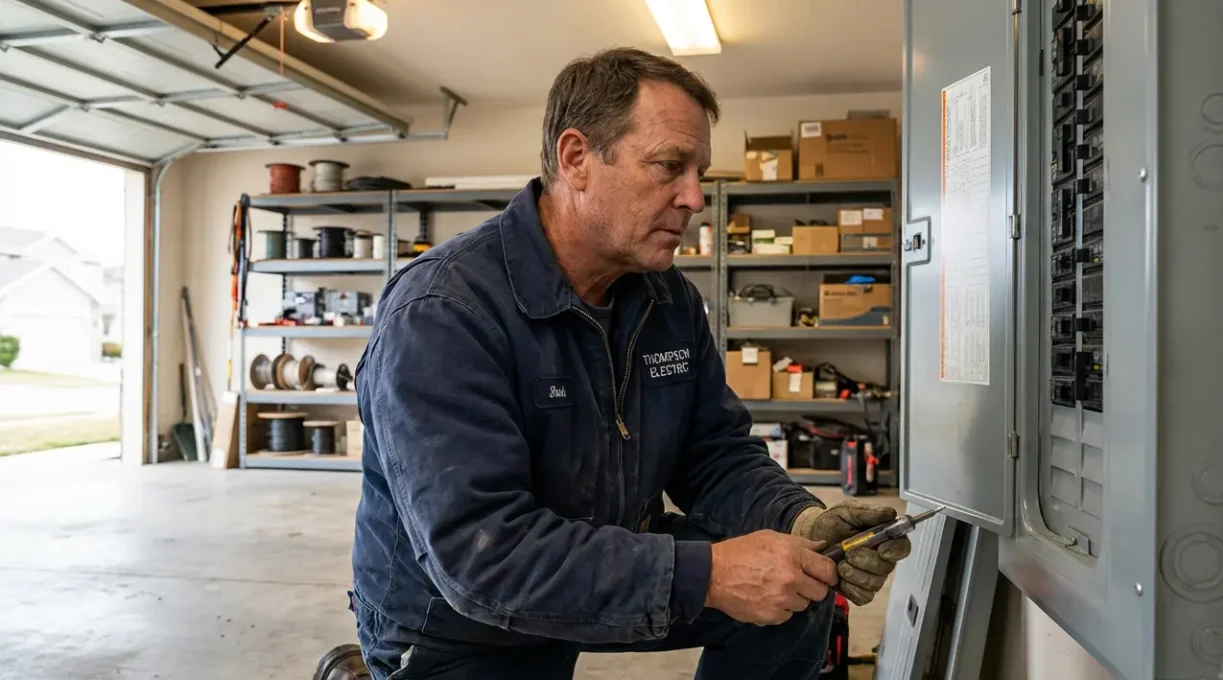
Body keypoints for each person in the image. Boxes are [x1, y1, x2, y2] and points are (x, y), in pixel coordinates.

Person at [329, 47, 912, 680]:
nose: (694, 197)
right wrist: (711, 574)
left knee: (797, 592)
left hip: (604, 557)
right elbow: (485, 555)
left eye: (699, 172)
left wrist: (801, 520)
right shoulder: (444, 311)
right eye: (669, 166)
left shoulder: (668, 299)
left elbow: (713, 452)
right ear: (576, 158)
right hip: (459, 620)